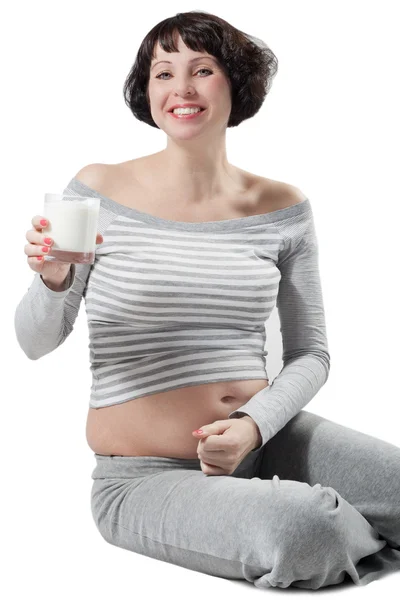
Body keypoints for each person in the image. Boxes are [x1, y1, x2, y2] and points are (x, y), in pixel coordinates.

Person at [14, 10, 400, 590]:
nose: (181, 90)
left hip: (268, 441)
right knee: (304, 529)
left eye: (202, 69)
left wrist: (251, 426)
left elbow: (312, 354)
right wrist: (52, 279)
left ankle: (337, 526)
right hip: (144, 478)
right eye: (163, 73)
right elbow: (34, 342)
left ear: (235, 81)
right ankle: (333, 527)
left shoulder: (282, 206)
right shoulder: (98, 191)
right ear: (146, 90)